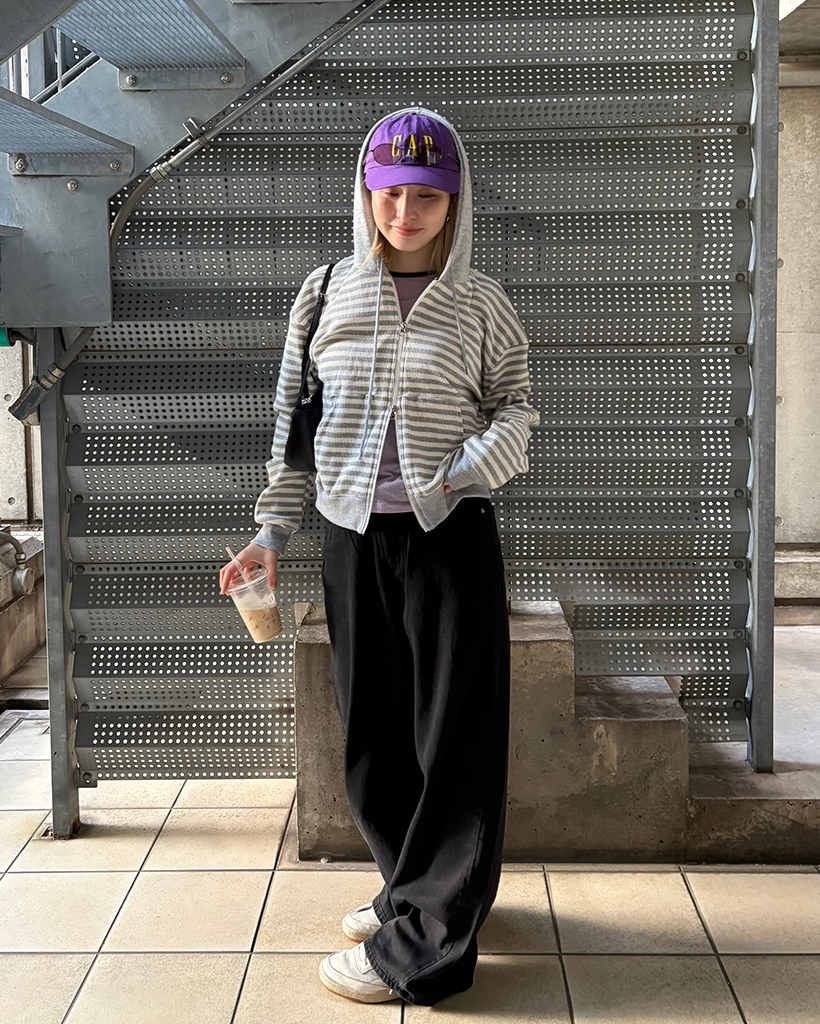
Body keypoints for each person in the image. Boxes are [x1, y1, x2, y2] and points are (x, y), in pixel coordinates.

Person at [220, 107, 539, 1006]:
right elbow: (295, 426)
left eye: (426, 197)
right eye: (391, 193)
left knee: (454, 738)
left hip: (448, 540)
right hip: (351, 540)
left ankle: (428, 950)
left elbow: (518, 407)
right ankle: (417, 891)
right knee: (373, 736)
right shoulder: (324, 292)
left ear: (454, 201)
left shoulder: (481, 303)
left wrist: (460, 471)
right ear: (365, 193)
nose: (406, 212)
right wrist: (271, 532)